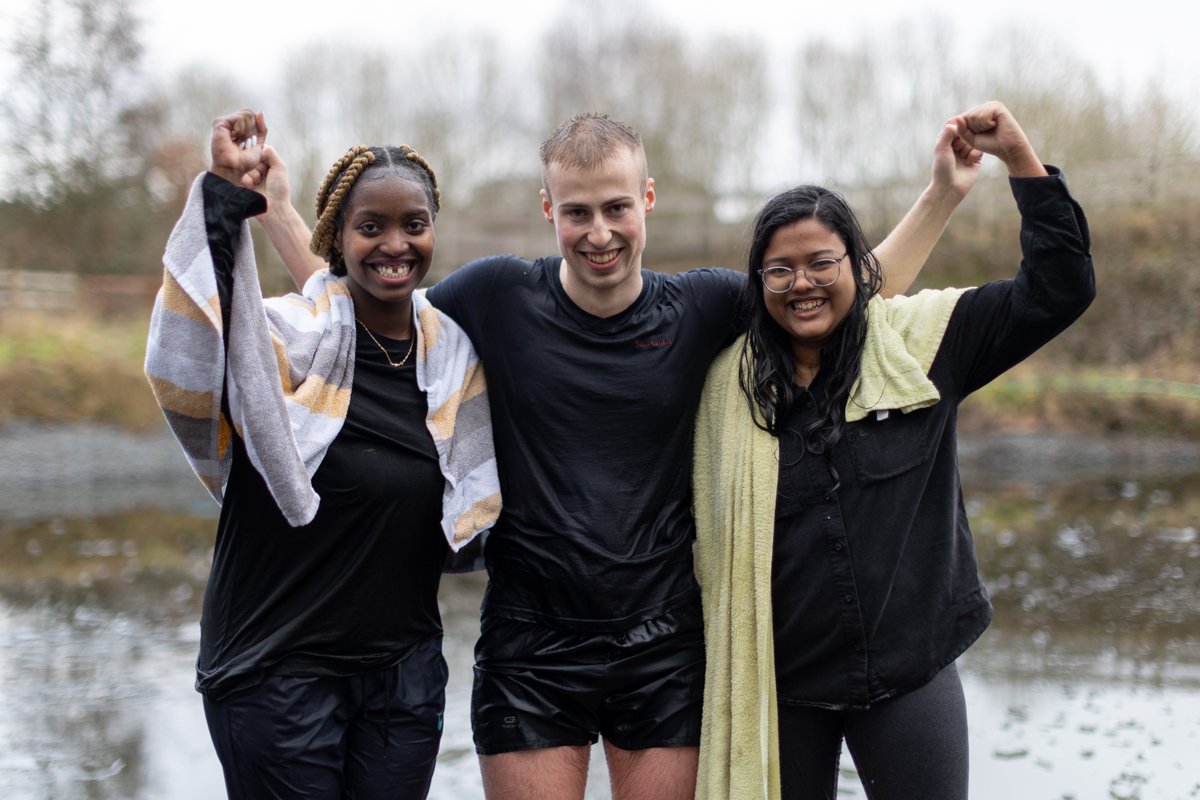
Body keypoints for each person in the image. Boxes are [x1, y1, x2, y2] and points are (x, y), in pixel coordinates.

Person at [262, 111, 981, 800]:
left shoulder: (702, 307)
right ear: (549, 209)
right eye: (577, 212)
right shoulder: (497, 296)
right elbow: (370, 313)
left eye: (616, 208)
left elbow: (841, 297)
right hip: (530, 644)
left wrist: (941, 194)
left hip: (662, 645)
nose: (598, 232)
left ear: (647, 199)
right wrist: (277, 213)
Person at [691, 101, 1096, 799]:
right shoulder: (726, 387)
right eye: (778, 271)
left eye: (821, 262)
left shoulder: (926, 343)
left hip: (912, 674)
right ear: (759, 284)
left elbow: (1060, 289)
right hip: (780, 686)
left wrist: (1021, 162)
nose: (802, 284)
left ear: (858, 265)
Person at [144, 109, 501, 799]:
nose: (395, 243)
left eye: (413, 224)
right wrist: (225, 195)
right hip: (273, 675)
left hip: (402, 680)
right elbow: (196, 336)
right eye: (371, 227)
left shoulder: (454, 366)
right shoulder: (286, 346)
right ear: (338, 237)